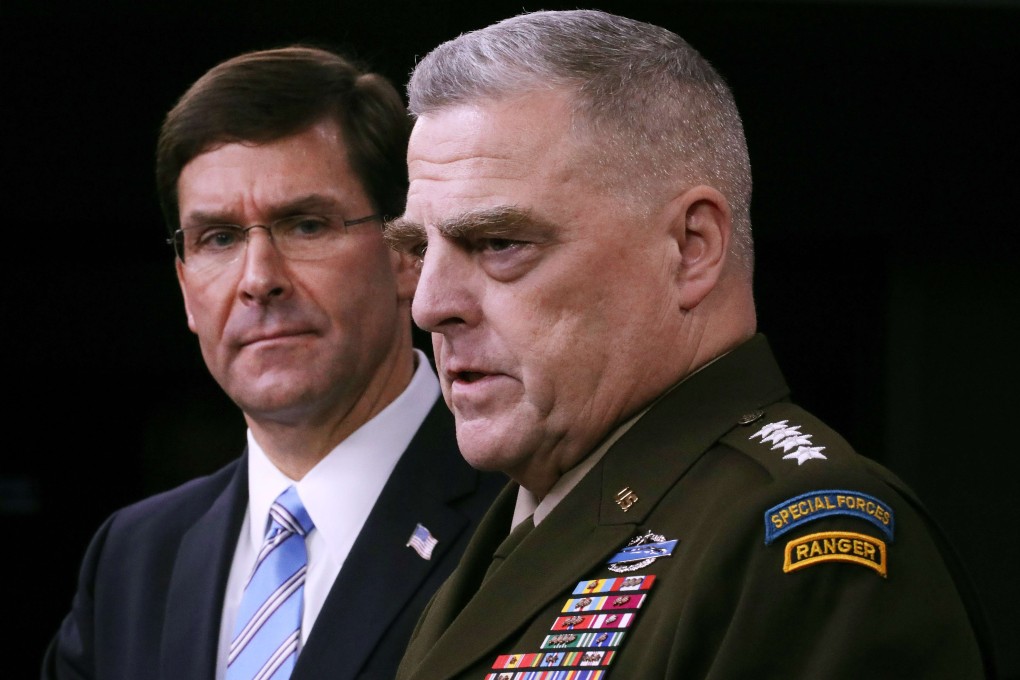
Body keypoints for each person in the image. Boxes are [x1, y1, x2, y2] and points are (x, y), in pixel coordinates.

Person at [385, 9, 996, 679]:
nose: (429, 305)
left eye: (499, 243)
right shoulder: (521, 524)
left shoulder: (799, 544)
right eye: (420, 248)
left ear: (691, 248)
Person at [42, 45, 504, 680]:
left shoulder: (526, 513)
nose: (258, 280)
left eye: (305, 225)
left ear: (407, 252)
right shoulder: (133, 557)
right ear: (185, 287)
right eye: (219, 239)